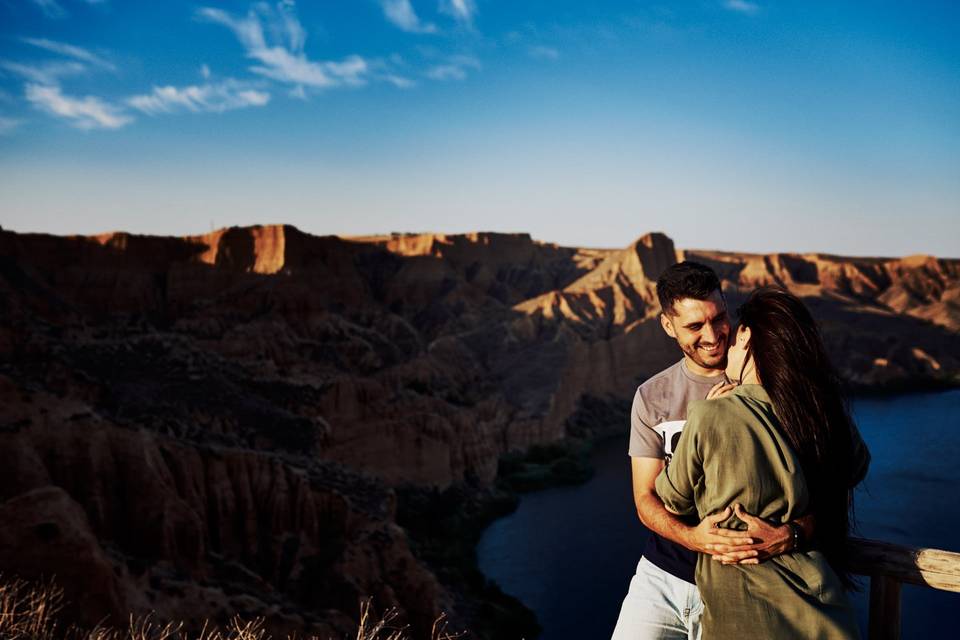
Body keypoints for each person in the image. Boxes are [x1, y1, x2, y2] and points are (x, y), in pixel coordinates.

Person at [611, 262, 813, 640]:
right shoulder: (651, 397)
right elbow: (645, 498)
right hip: (662, 577)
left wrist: (792, 534)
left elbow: (826, 486)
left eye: (719, 318)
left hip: (744, 586)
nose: (713, 335)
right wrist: (695, 539)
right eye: (693, 326)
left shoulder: (774, 384)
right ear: (668, 326)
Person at [655, 286, 870, 637]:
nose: (728, 350)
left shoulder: (711, 413)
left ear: (748, 337)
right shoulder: (819, 409)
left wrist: (703, 421)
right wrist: (796, 529)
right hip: (822, 611)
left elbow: (672, 497)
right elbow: (854, 469)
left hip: (746, 616)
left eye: (735, 339)